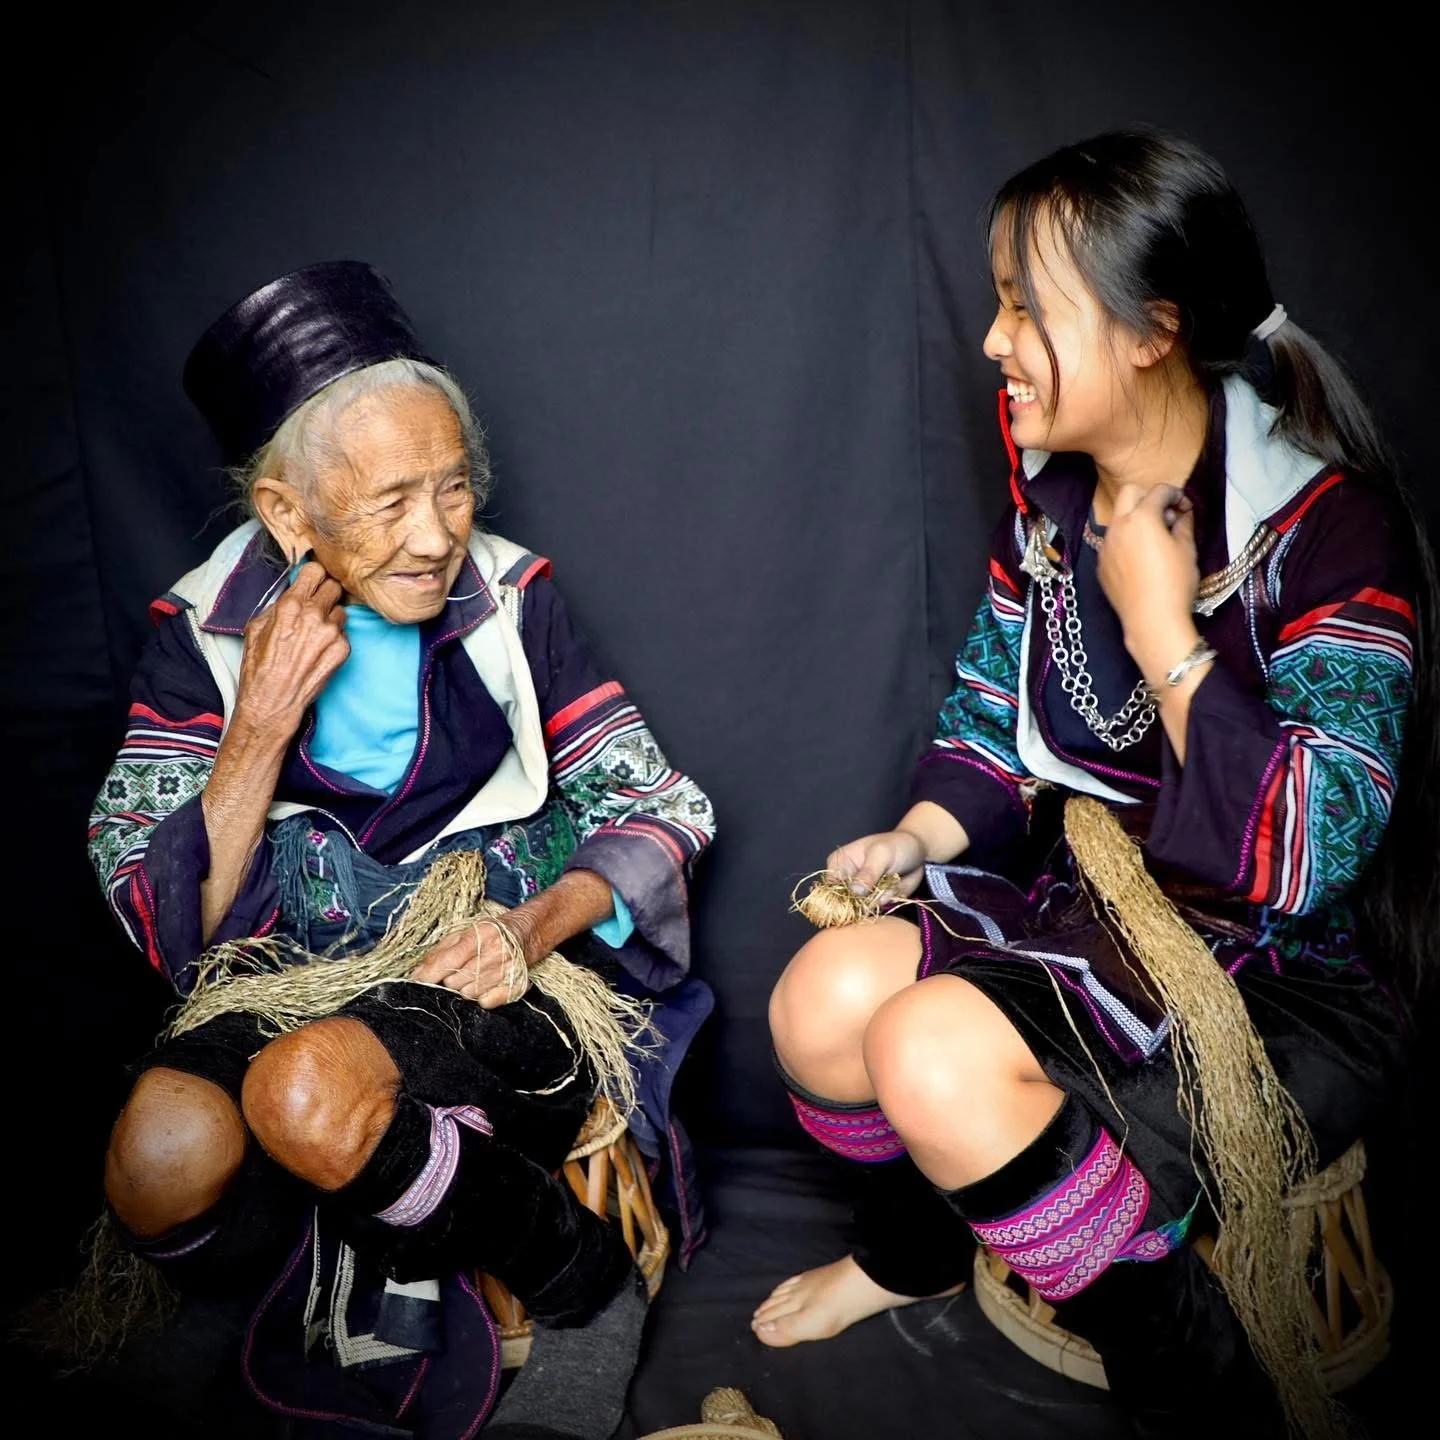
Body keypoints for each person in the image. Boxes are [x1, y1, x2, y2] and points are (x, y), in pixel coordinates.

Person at [751, 130, 1437, 1435]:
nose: (995, 339)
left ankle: (1202, 1386)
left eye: (1027, 306)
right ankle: (911, 1255)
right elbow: (991, 721)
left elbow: (1309, 857)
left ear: (1149, 332)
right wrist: (914, 835)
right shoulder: (1061, 497)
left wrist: (1170, 633)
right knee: (826, 996)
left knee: (927, 1042)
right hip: (1097, 919)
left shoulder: (1327, 526)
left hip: (1283, 979)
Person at [89, 261, 716, 1439]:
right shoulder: (201, 629)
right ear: (287, 511)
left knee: (309, 1089)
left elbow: (662, 805)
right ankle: (306, 1260)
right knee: (160, 1156)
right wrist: (260, 726)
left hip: (480, 964)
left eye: (454, 488)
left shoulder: (513, 599)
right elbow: (160, 919)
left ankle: (583, 1283)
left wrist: (535, 925)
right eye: (391, 502)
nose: (437, 537)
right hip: (301, 974)